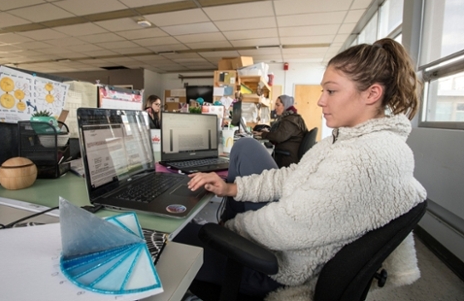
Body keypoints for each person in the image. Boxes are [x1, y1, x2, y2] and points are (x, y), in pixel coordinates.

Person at [175, 38, 427, 299]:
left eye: (331, 91)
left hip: (275, 270)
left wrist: (231, 229)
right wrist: (231, 187)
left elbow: (287, 225)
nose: (320, 101)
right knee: (247, 149)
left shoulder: (364, 158)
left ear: (372, 94)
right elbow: (294, 175)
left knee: (169, 238)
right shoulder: (350, 139)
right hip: (286, 248)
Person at [253, 94, 308, 167]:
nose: (275, 107)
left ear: (285, 106)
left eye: (277, 105)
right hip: (290, 154)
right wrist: (268, 133)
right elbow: (282, 133)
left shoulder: (290, 120)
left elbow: (279, 137)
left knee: (258, 158)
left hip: (287, 158)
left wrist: (263, 134)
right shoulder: (293, 118)